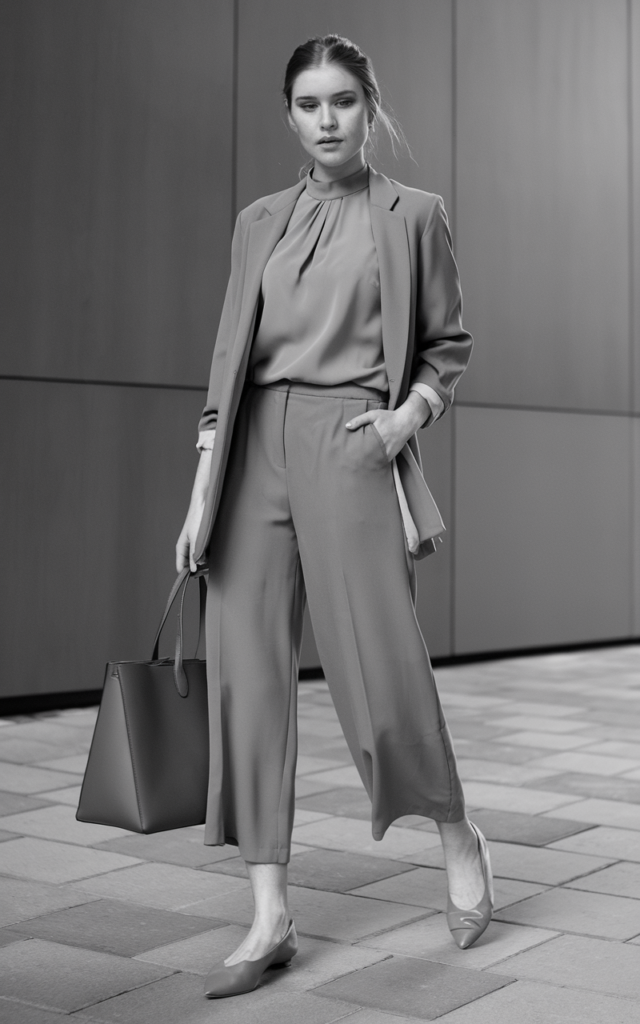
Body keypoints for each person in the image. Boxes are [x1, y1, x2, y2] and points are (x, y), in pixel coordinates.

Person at [176, 34, 492, 1000]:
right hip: (250, 460)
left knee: (379, 660)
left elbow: (449, 345)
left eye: (343, 101)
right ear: (289, 115)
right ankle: (269, 913)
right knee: (248, 676)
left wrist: (404, 420)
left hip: (352, 442)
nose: (325, 119)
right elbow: (231, 359)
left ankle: (455, 831)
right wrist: (199, 490)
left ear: (370, 107)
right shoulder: (257, 221)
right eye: (308, 103)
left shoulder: (414, 217)